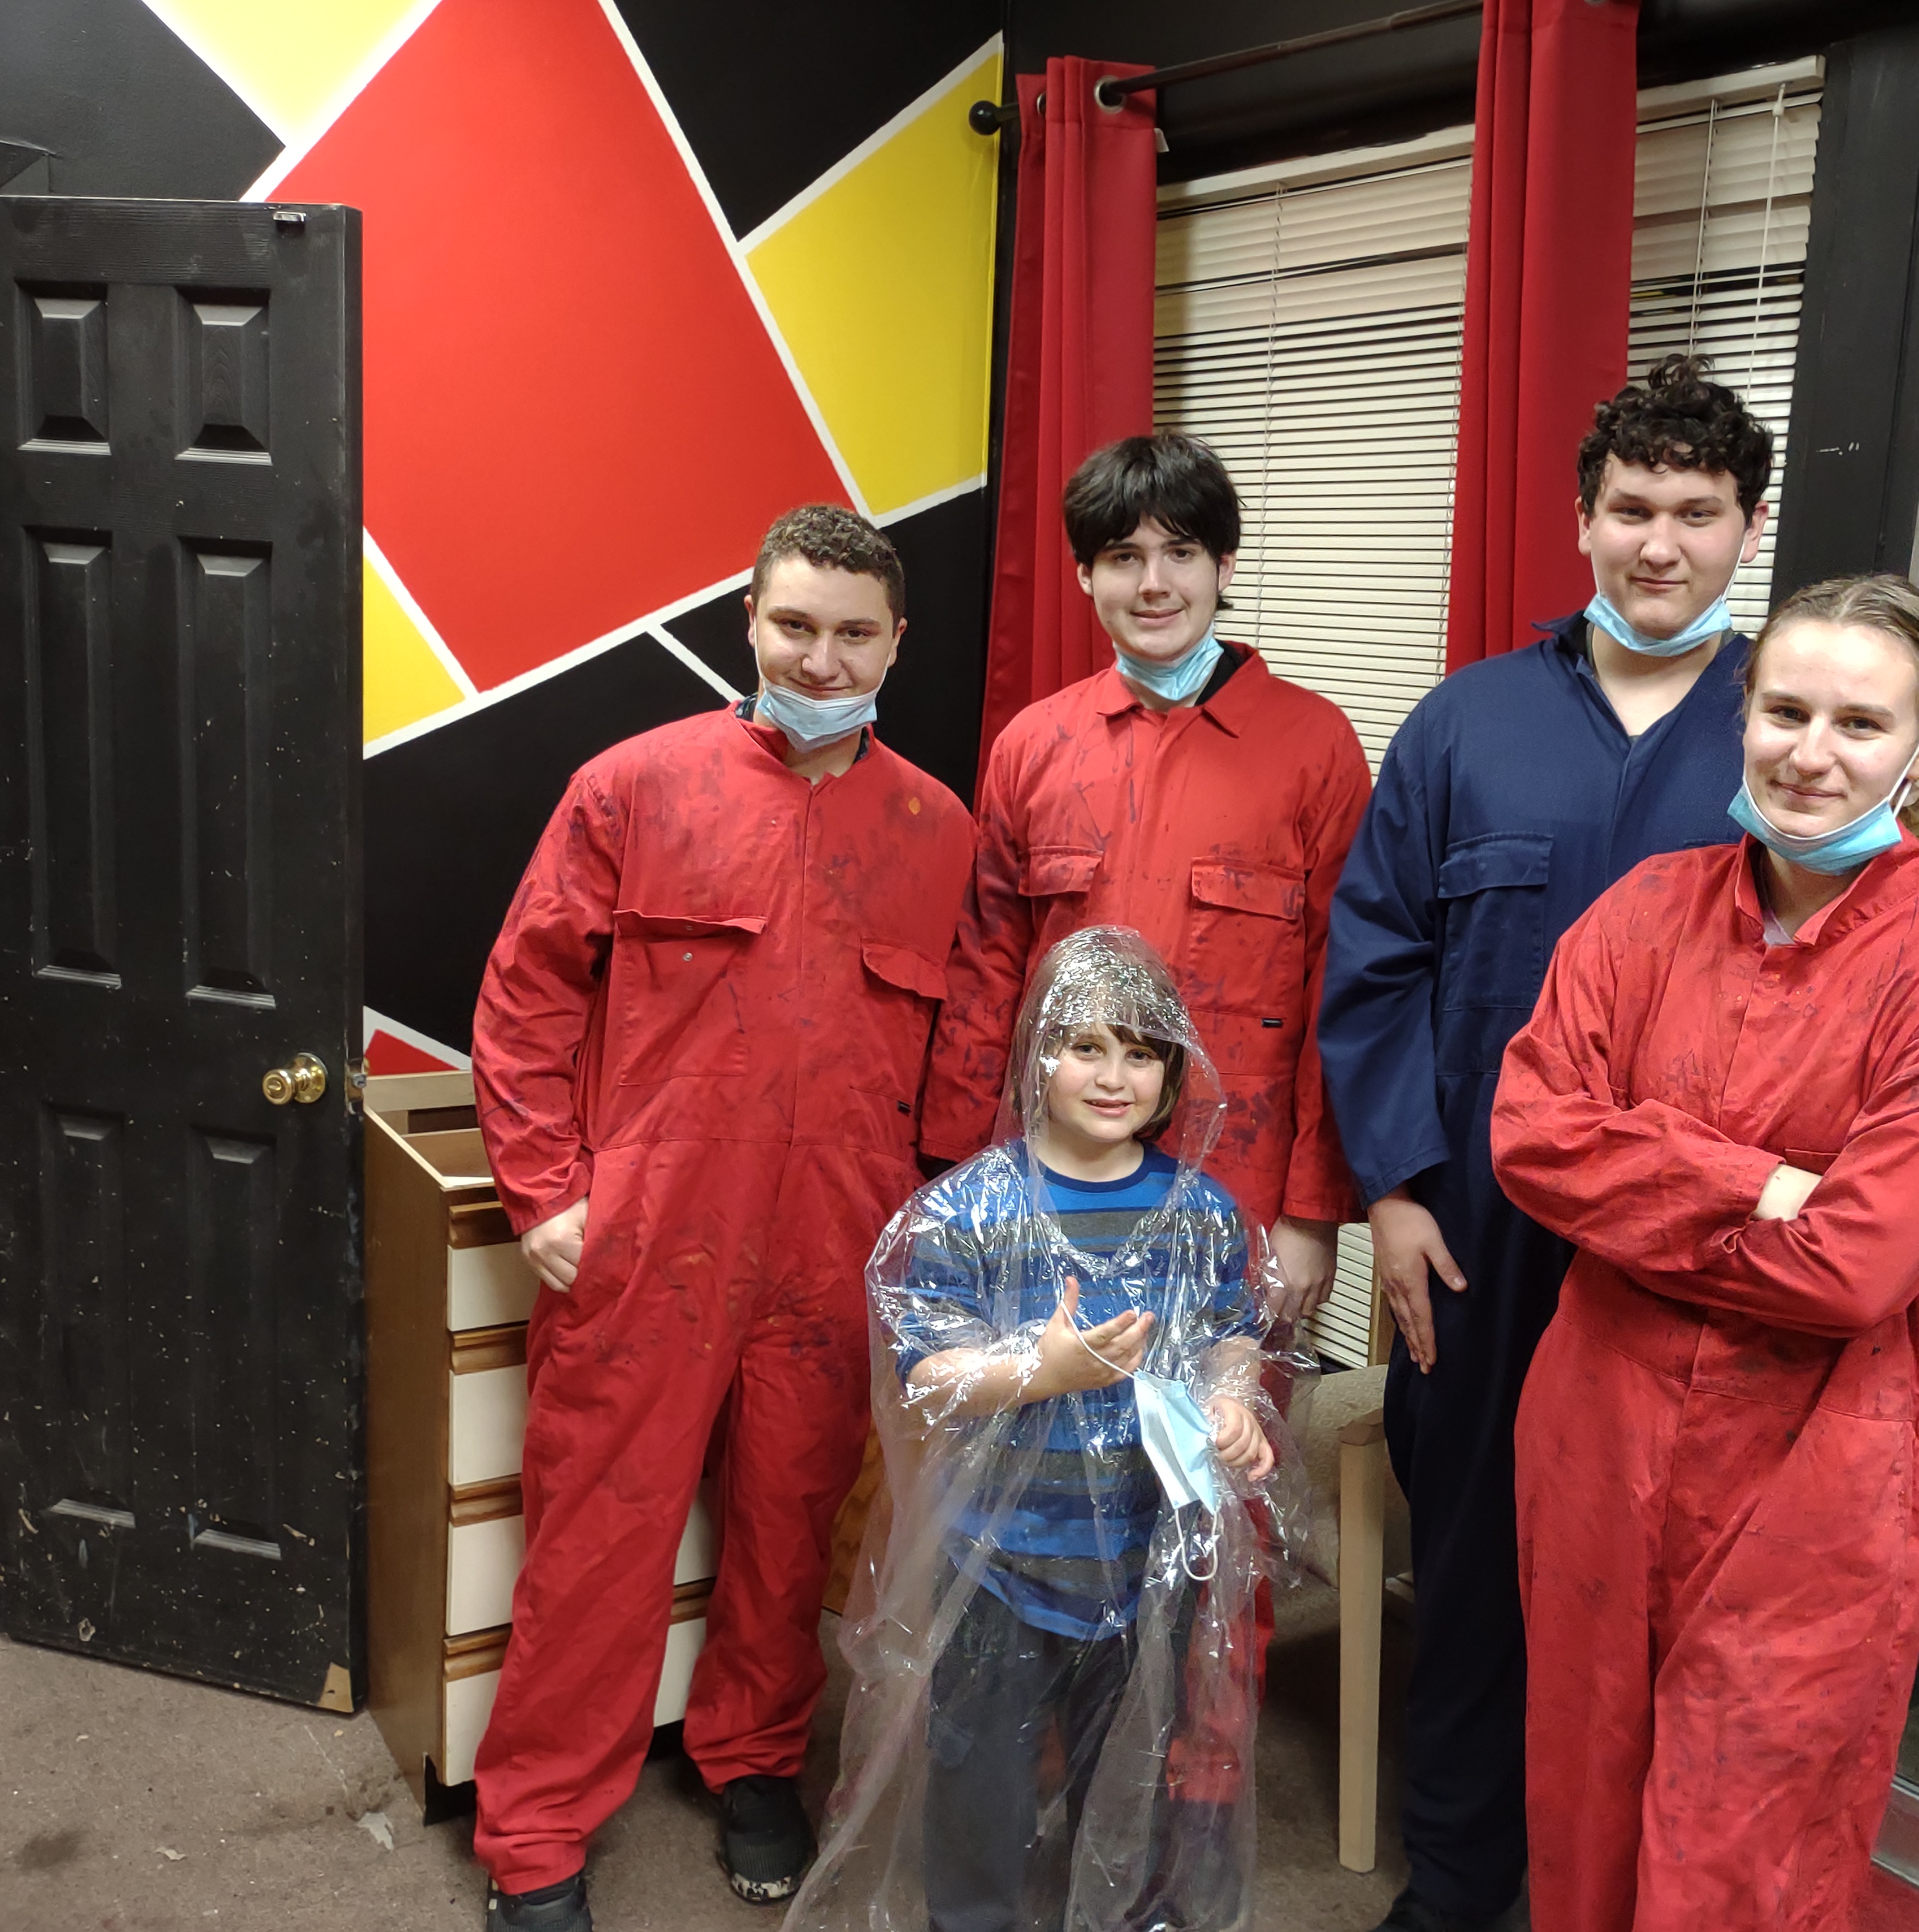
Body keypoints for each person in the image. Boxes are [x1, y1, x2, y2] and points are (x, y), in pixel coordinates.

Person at [1490, 574, 1919, 1931]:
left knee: (1741, 1858)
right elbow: (1529, 1140)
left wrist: (1639, 1181)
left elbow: (1854, 1270)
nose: (1811, 752)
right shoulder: (1643, 911)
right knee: (1580, 1806)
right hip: (1598, 1436)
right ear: (1741, 714)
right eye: (1785, 711)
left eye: (1861, 723)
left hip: (1815, 1474)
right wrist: (1760, 1183)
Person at [471, 505, 974, 1931]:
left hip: (840, 1242)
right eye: (794, 626)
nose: (821, 660)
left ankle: (752, 1759)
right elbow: (524, 998)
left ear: (896, 644)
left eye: (853, 634)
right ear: (748, 621)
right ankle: (536, 1830)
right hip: (651, 1238)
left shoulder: (939, 831)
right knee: (598, 1537)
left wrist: (935, 1237)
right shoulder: (633, 786)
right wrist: (545, 1193)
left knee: (791, 1527)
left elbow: (965, 1058)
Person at [1317, 350, 1768, 1931]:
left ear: (1743, 529)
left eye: (1696, 513)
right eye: (1631, 508)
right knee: (1468, 1565)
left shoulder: (1780, 733)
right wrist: (1391, 1191)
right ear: (1581, 519)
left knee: (1665, 1582)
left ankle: (1616, 1889)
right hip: (1479, 1229)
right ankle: (1456, 1883)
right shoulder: (1466, 724)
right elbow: (1374, 963)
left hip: (1690, 1242)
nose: (1660, 543)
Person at [793, 927, 1299, 1932]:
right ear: (1037, 1054)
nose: (1113, 1077)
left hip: (1148, 1562)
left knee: (1135, 1770)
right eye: (1085, 1046)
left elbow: (1230, 1336)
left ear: (1172, 1071)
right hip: (999, 1562)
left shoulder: (1200, 1214)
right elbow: (926, 1373)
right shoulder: (969, 1211)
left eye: (1141, 1053)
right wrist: (1042, 1370)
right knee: (977, 1782)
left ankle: (1116, 1915)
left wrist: (1236, 1403)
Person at [921, 433, 1370, 1321]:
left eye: (1181, 553)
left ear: (1224, 566)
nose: (1154, 583)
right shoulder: (1034, 746)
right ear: (1086, 574)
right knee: (1046, 1399)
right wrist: (957, 1170)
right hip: (1051, 1179)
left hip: (1238, 1183)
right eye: (1124, 557)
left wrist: (1314, 1212)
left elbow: (1343, 989)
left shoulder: (1315, 748)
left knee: (1225, 1406)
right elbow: (986, 974)